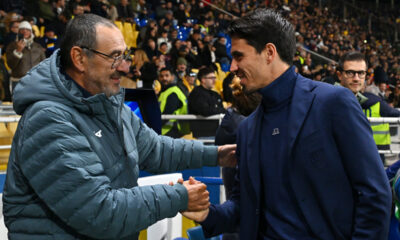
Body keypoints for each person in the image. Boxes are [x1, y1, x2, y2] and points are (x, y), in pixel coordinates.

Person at [3, 14, 236, 240]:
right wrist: (179, 197)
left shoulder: (108, 103)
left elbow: (155, 149)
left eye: (126, 56)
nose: (125, 67)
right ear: (79, 58)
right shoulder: (47, 119)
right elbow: (99, 211)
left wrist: (216, 155)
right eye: (115, 57)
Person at [182, 9, 391, 239]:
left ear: (269, 52)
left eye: (239, 56)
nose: (232, 67)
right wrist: (207, 214)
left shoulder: (333, 103)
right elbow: (243, 208)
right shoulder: (247, 129)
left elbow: (374, 194)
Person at [337, 51, 400, 164]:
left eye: (361, 73)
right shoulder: (328, 101)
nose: (356, 78)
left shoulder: (357, 100)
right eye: (350, 73)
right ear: (339, 75)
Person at [5, 20, 45, 93]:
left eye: (27, 29)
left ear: (31, 32)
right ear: (19, 32)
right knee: (19, 104)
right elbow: (10, 65)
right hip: (18, 81)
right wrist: (18, 51)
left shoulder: (38, 46)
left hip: (35, 82)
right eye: (22, 29)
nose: (25, 31)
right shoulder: (12, 46)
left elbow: (44, 64)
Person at [188, 67, 225, 138]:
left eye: (215, 78)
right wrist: (223, 110)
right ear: (203, 80)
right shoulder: (197, 93)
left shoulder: (215, 94)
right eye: (211, 78)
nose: (214, 80)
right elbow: (205, 111)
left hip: (215, 133)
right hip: (203, 134)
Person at [158, 67, 190, 138]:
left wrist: (155, 125)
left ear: (172, 77)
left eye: (167, 75)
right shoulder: (165, 92)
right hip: (169, 130)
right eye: (161, 76)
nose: (164, 78)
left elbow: (168, 113)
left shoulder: (172, 92)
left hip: (171, 130)